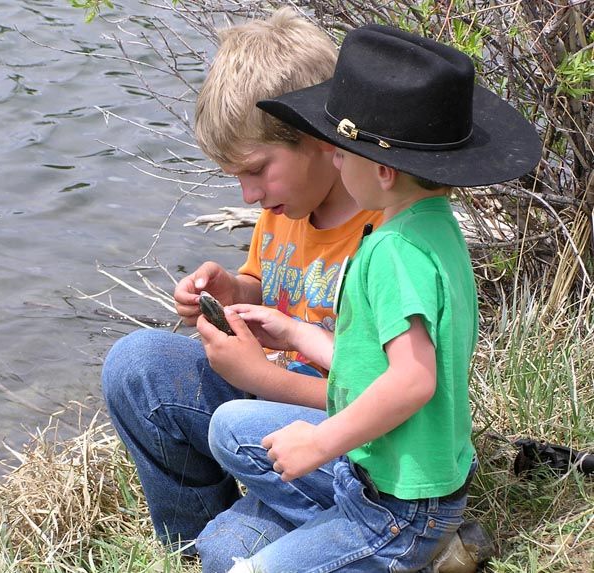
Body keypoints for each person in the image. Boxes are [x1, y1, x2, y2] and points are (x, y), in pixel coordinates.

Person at [197, 24, 541, 572]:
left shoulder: (390, 253)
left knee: (245, 568)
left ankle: (402, 552)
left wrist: (320, 443)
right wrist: (296, 333)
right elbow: (381, 364)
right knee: (230, 426)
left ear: (380, 170)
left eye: (340, 155)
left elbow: (412, 380)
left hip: (396, 504)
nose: (333, 162)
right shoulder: (436, 230)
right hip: (404, 477)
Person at [101, 6, 381, 566]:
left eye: (257, 170)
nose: (249, 195)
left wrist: (258, 378)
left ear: (320, 138)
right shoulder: (289, 205)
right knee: (134, 366)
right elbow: (270, 284)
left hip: (351, 438)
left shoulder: (387, 240)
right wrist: (235, 291)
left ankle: (379, 533)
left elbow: (385, 395)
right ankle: (190, 538)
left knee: (229, 553)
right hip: (263, 411)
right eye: (238, 178)